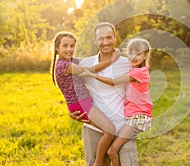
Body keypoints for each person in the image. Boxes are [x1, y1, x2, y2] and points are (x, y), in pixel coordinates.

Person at [69, 22, 139, 166]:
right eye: (101, 38)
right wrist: (72, 110)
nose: (105, 42)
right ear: (95, 40)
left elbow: (142, 89)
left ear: (115, 38)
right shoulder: (85, 63)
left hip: (123, 128)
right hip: (94, 128)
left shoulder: (127, 63)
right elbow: (71, 87)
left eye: (109, 37)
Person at [81, 38, 153, 166]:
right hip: (132, 117)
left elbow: (113, 81)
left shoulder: (139, 72)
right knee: (112, 151)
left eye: (138, 53)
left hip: (137, 118)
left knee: (112, 151)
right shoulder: (133, 68)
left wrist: (92, 75)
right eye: (131, 53)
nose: (133, 57)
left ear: (146, 55)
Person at [51, 31, 119, 166]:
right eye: (65, 46)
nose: (69, 49)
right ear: (57, 48)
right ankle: (98, 163)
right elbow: (90, 69)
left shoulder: (70, 61)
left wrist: (107, 52)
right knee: (110, 130)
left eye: (72, 46)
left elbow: (90, 60)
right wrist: (112, 60)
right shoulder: (64, 65)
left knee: (109, 129)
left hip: (83, 102)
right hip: (81, 104)